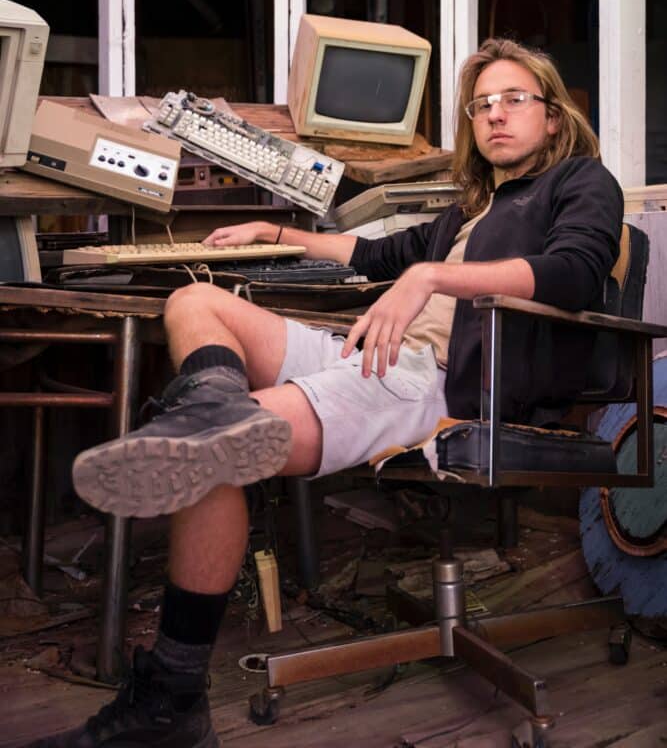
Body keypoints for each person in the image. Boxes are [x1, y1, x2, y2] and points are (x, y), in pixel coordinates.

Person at [27, 38, 623, 748]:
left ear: (552, 116)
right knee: (194, 303)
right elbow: (375, 255)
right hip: (375, 356)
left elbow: (573, 275)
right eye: (481, 105)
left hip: (439, 383)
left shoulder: (581, 182)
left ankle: (170, 699)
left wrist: (431, 279)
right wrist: (275, 232)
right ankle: (211, 411)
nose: (494, 116)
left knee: (210, 453)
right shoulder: (471, 210)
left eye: (514, 100)